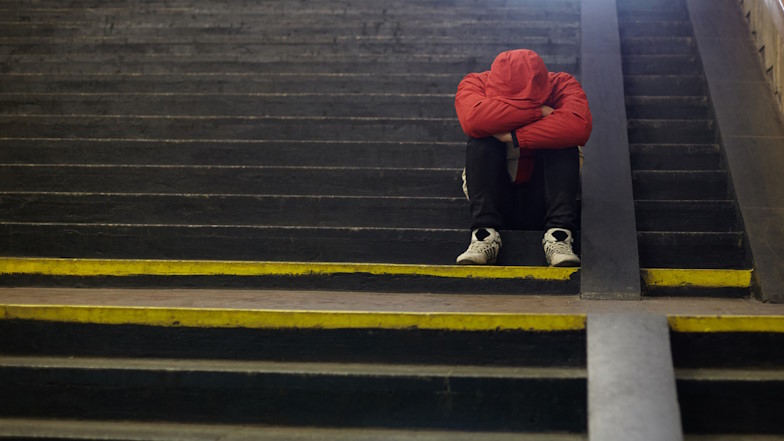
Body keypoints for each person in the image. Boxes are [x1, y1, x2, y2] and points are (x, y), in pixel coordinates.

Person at [454, 49, 592, 266]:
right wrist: (540, 111)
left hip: (546, 200)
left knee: (563, 138)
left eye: (528, 98)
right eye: (513, 99)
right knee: (480, 139)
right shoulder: (475, 83)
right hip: (497, 199)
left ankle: (559, 236)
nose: (520, 101)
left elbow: (579, 127)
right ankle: (484, 235)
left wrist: (514, 135)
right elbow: (473, 121)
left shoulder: (563, 84)